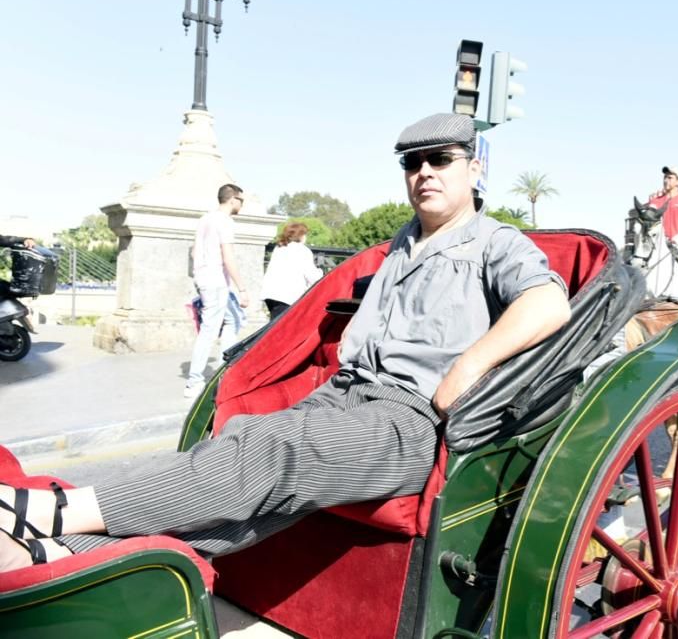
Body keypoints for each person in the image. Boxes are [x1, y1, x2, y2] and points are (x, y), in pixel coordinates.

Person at [0, 112, 571, 571]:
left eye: (441, 160)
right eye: (412, 162)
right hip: (345, 397)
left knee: (273, 452)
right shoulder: (401, 243)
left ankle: (53, 510)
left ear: (473, 169)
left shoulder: (496, 242)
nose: (424, 172)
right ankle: (60, 555)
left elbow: (548, 301)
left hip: (409, 420)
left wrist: (470, 365)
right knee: (248, 453)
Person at [184, 184, 250, 398]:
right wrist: (242, 288)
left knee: (234, 319)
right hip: (216, 281)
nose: (242, 204)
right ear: (233, 199)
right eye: (242, 200)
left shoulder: (205, 219)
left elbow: (195, 251)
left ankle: (226, 370)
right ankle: (195, 382)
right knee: (210, 330)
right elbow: (228, 257)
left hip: (204, 278)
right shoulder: (225, 222)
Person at [643, 166, 678, 299]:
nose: (666, 180)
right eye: (665, 177)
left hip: (677, 244)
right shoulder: (655, 201)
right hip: (656, 244)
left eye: (670, 177)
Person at [261, 222, 323, 319]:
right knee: (282, 327)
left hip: (270, 293)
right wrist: (320, 272)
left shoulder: (279, 247)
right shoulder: (303, 250)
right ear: (301, 235)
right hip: (287, 295)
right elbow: (312, 276)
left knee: (274, 324)